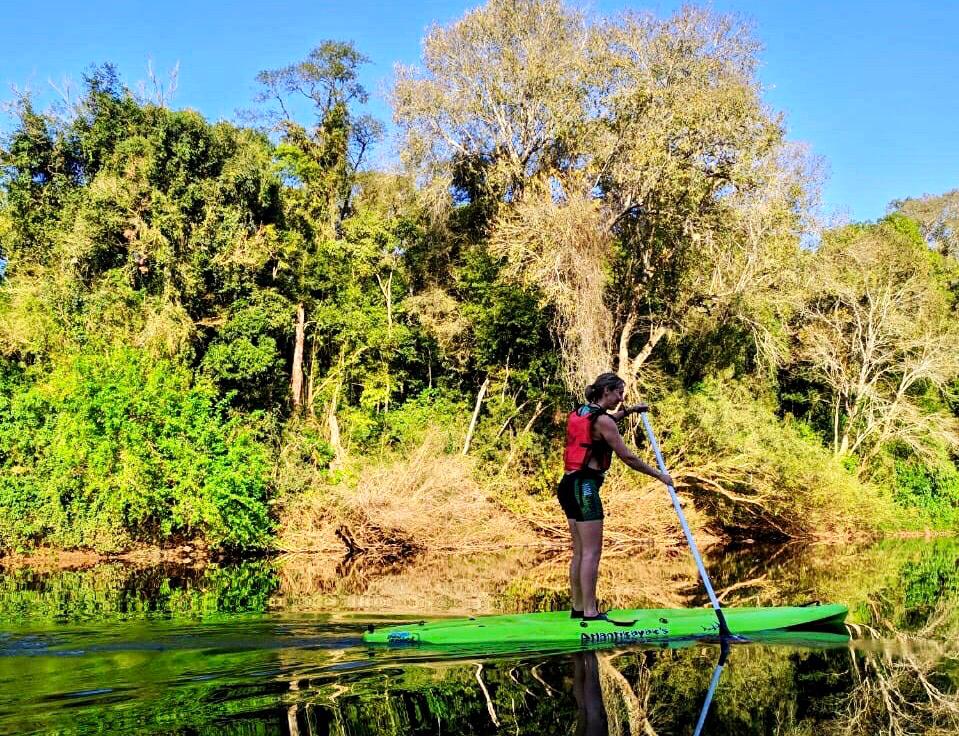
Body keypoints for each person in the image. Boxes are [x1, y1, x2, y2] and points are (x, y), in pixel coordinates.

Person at [558, 372, 673, 621]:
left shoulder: (581, 412)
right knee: (591, 552)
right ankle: (590, 612)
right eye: (618, 393)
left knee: (579, 552)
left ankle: (578, 608)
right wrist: (660, 476)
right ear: (606, 391)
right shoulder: (604, 421)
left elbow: (606, 421)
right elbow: (628, 457)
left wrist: (630, 411)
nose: (621, 398)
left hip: (568, 485)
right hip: (585, 488)